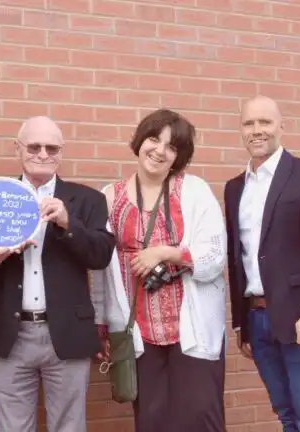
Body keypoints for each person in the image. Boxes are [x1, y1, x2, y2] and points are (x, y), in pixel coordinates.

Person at [91, 108, 228, 432]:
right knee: (152, 421)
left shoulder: (193, 191)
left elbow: (214, 255)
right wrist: (101, 323)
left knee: (201, 419)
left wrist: (165, 253)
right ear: (140, 141)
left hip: (191, 332)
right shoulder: (110, 197)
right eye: (154, 139)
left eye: (171, 146)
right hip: (139, 332)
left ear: (178, 157)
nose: (160, 150)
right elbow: (102, 271)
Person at [0, 116, 115, 431]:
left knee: (69, 426)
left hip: (66, 332)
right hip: (9, 334)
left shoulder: (88, 199)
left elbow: (102, 255)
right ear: (18, 149)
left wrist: (68, 223)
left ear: (61, 152)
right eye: (34, 146)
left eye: (51, 148)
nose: (42, 154)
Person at [225, 95, 300, 432]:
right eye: (249, 123)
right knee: (287, 415)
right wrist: (242, 325)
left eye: (265, 122)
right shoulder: (235, 188)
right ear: (241, 129)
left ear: (281, 127)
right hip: (258, 320)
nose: (257, 130)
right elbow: (239, 258)